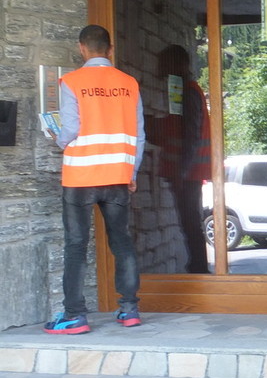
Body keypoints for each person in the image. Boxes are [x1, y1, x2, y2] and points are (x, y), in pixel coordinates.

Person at [45, 25, 146, 334]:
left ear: (82, 48)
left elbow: (72, 128)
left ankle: (75, 315)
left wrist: (58, 139)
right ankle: (129, 310)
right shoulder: (129, 84)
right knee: (122, 242)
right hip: (117, 176)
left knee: (76, 245)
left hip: (81, 175)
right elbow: (139, 134)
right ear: (110, 49)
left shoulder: (72, 81)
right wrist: (132, 172)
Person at [150, 45, 211, 273]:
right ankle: (197, 268)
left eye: (165, 64)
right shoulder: (183, 91)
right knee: (189, 222)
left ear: (178, 65)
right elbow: (177, 128)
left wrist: (181, 173)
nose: (161, 69)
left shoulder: (188, 92)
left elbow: (190, 133)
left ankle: (199, 269)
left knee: (190, 222)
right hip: (188, 170)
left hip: (189, 171)